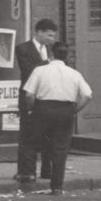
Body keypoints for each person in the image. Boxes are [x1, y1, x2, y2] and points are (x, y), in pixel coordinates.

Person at [22, 46, 93, 196]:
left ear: (51, 54)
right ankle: (57, 186)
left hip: (43, 109)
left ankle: (29, 175)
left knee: (31, 142)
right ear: (66, 57)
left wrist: (31, 109)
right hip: (65, 110)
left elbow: (29, 95)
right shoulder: (74, 74)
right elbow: (87, 95)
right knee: (60, 149)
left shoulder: (40, 71)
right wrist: (73, 110)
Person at [14, 19, 62, 191]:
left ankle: (46, 170)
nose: (52, 39)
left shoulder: (50, 50)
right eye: (49, 35)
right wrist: (50, 64)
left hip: (46, 98)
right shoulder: (23, 48)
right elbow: (28, 70)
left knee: (48, 137)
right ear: (39, 32)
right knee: (27, 136)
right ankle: (26, 172)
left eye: (53, 36)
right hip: (29, 97)